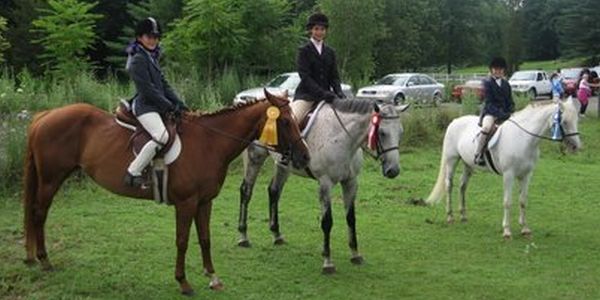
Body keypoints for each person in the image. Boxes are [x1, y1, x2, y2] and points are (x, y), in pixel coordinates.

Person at [123, 17, 188, 187]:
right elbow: (147, 90)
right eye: (149, 36)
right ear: (140, 38)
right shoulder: (138, 59)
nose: (153, 40)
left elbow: (164, 85)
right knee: (161, 136)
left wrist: (179, 103)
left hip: (155, 105)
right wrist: (169, 106)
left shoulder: (151, 57)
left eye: (156, 37)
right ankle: (133, 171)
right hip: (145, 106)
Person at [291, 12, 345, 123]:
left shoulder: (330, 52)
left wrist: (339, 92)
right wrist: (322, 93)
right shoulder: (304, 51)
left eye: (322, 29)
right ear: (311, 30)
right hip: (307, 96)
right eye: (316, 29)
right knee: (292, 120)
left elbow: (334, 76)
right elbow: (305, 77)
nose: (319, 32)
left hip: (328, 96)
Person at [474, 57, 515, 165]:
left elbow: (510, 101)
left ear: (503, 70)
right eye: (496, 69)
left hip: (505, 114)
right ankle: (478, 154)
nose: (498, 71)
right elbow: (489, 103)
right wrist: (500, 114)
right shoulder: (487, 83)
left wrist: (511, 110)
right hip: (490, 113)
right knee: (487, 127)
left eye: (500, 69)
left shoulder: (506, 84)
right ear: (492, 70)